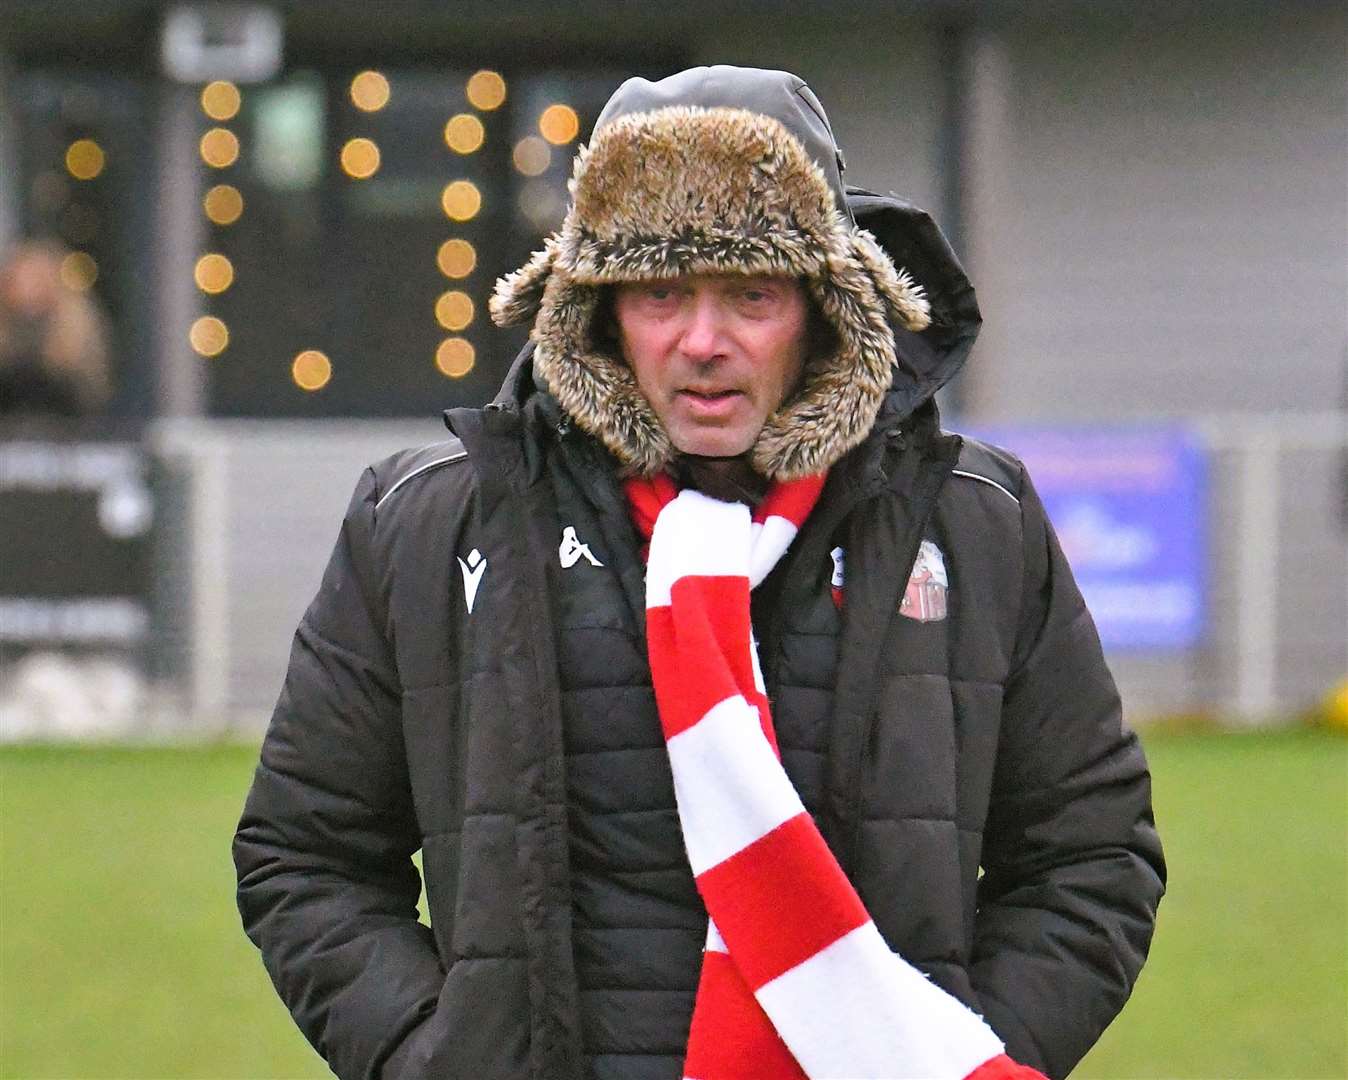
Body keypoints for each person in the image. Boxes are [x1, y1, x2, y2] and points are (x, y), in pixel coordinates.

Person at [234, 65, 1164, 1080]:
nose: (702, 342)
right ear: (592, 306)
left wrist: (952, 1062)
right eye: (660, 292)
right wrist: (434, 1059)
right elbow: (306, 856)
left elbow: (1091, 860)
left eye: (750, 294)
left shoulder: (975, 522)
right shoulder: (427, 521)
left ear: (824, 303)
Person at [0, 240, 112, 422]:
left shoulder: (74, 333)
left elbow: (89, 397)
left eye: (34, 279)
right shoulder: (6, 333)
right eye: (19, 279)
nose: (26, 288)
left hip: (66, 440)